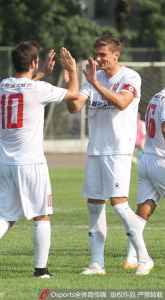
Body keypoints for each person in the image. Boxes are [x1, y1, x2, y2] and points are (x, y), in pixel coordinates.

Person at [0, 40, 79, 279]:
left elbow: (24, 86)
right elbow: (74, 95)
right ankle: (41, 271)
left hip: (5, 163)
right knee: (42, 215)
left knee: (5, 216)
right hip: (31, 163)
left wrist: (40, 74)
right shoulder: (38, 89)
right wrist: (72, 70)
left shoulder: (4, 84)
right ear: (34, 62)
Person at [65, 36, 153, 275]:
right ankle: (97, 264)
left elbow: (123, 102)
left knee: (119, 204)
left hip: (118, 150)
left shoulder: (130, 77)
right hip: (95, 150)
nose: (99, 57)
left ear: (116, 55)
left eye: (103, 54)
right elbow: (74, 108)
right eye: (97, 53)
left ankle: (143, 257)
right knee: (94, 205)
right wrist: (72, 77)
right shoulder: (94, 76)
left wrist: (95, 84)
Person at [125, 88, 165, 272]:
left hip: (147, 160)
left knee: (143, 212)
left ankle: (131, 258)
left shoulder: (156, 96)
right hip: (161, 160)